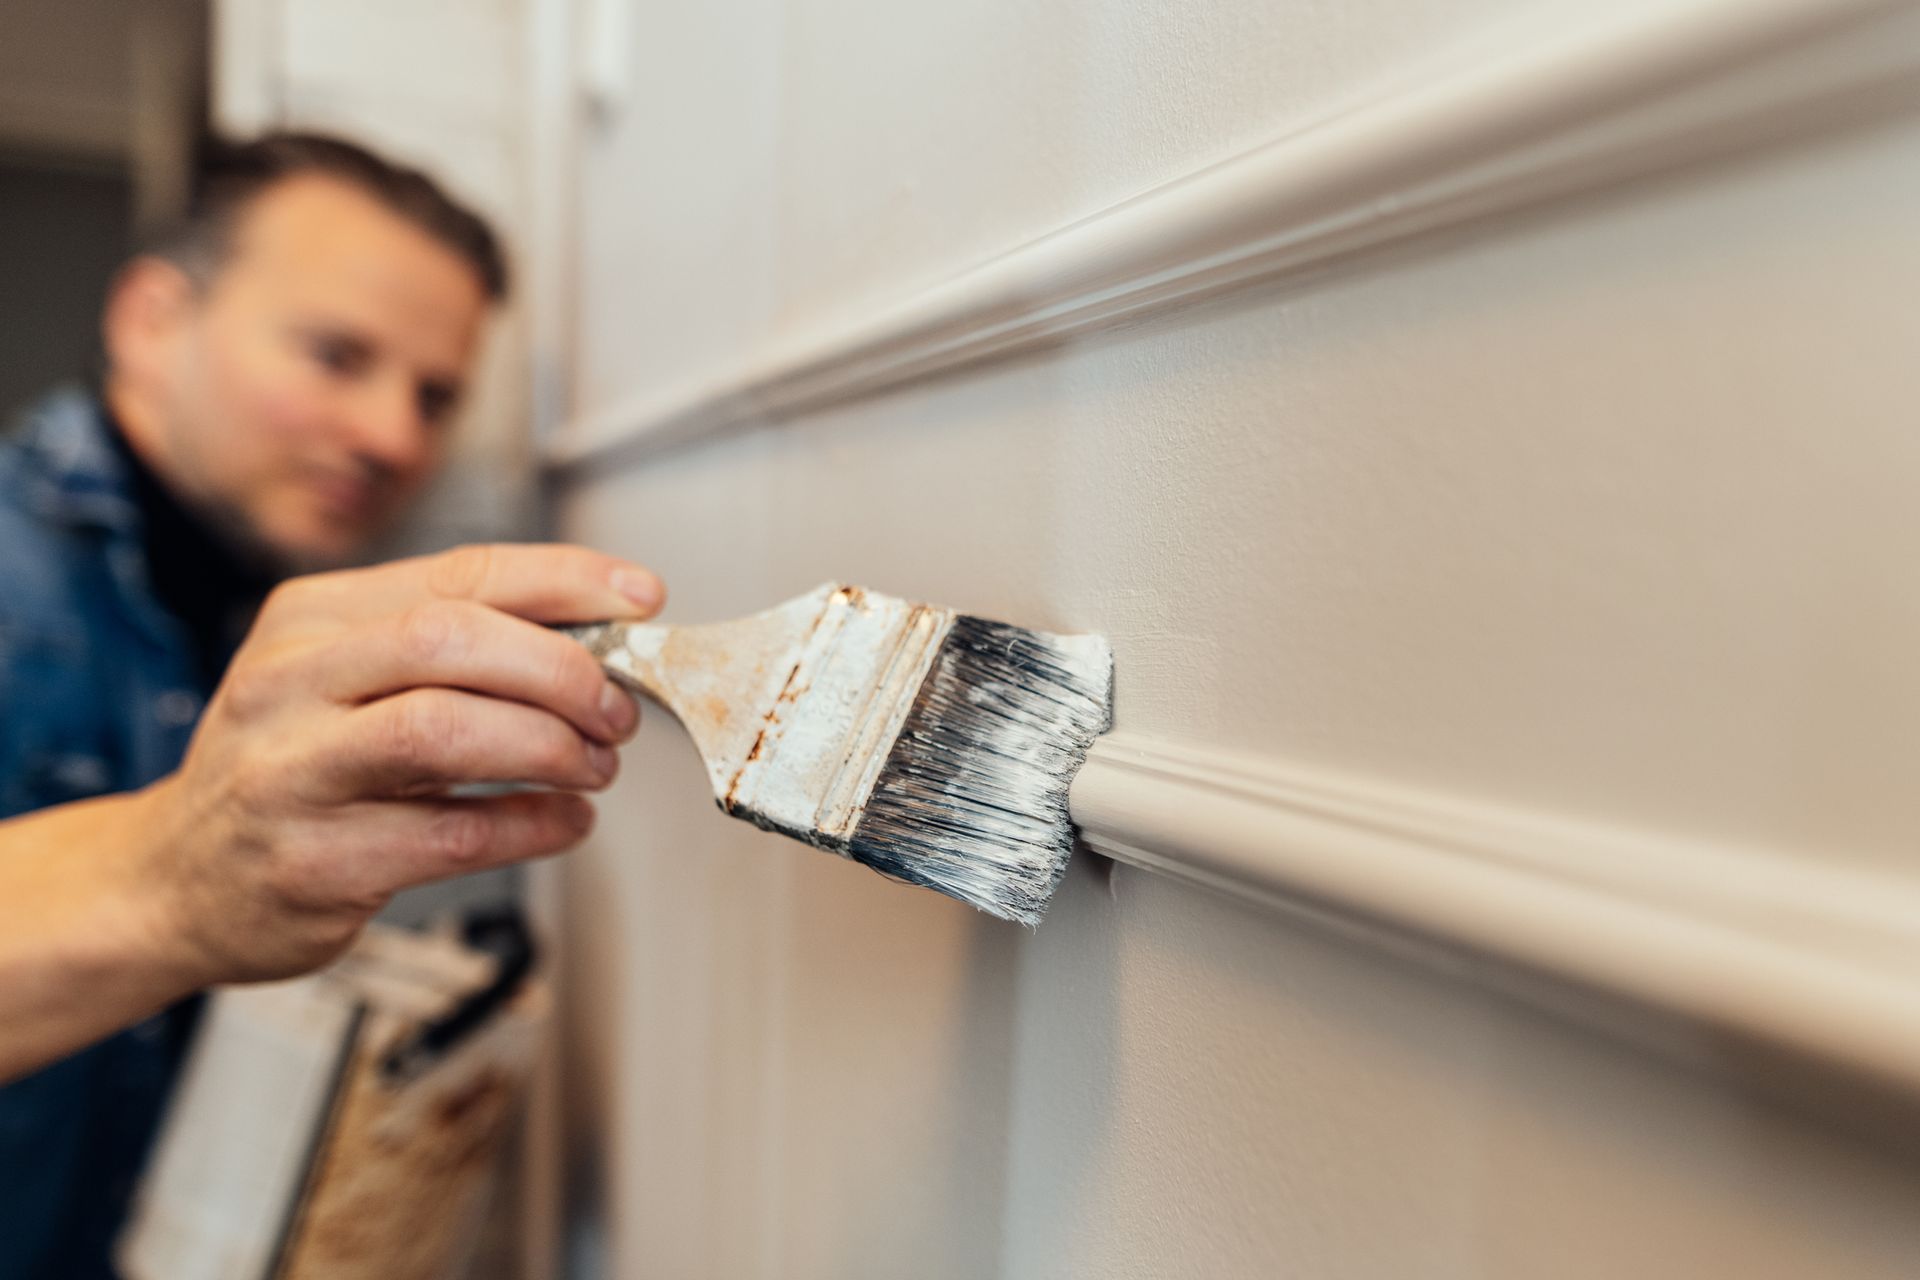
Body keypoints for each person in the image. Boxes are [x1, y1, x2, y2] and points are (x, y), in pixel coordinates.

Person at [0, 133, 663, 1278]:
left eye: (434, 393)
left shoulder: (245, 607)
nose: (394, 435)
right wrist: (173, 873)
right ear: (152, 319)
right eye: (336, 354)